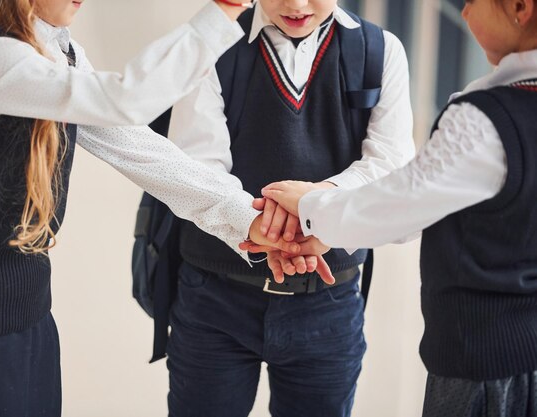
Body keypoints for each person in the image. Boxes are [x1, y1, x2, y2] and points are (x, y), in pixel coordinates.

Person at [0, 0, 300, 415]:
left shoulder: (57, 51)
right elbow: (126, 98)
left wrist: (249, 219)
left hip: (28, 321)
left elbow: (139, 147)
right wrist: (225, 9)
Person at [257, 0, 537, 415]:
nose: (462, 14)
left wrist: (311, 206)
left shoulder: (486, 120)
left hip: (483, 365)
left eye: (473, 1)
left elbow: (400, 208)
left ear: (519, 7)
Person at [163, 0, 414, 415]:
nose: (297, 5)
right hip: (215, 299)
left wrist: (316, 207)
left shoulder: (379, 50)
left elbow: (390, 167)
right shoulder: (214, 41)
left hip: (328, 304)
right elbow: (195, 168)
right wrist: (265, 224)